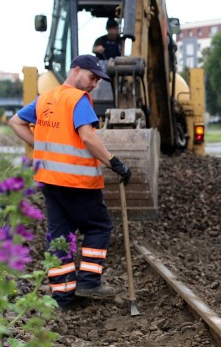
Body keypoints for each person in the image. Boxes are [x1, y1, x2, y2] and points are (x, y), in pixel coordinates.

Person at [8, 55, 132, 309]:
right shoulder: (78, 99)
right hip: (77, 181)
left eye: (97, 80)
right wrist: (114, 162)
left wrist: (41, 145)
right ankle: (88, 281)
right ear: (76, 70)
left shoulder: (46, 98)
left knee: (59, 236)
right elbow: (87, 137)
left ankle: (62, 296)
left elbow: (16, 121)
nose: (94, 84)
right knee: (99, 226)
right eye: (91, 77)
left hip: (49, 180)